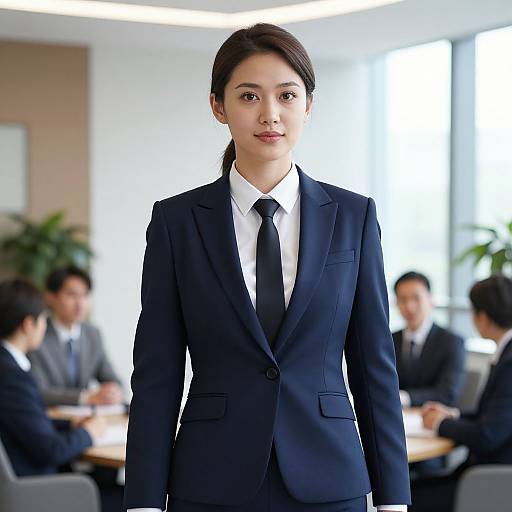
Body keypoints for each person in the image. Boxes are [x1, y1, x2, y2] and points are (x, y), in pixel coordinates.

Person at [123, 23, 411, 512]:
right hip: (211, 479)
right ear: (219, 106)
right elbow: (157, 375)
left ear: (308, 105)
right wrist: (144, 503)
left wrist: (394, 501)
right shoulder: (176, 222)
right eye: (249, 96)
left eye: (287, 95)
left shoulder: (354, 217)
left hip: (329, 478)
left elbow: (374, 368)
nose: (270, 114)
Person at [410, 274, 512, 512]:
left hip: (489, 482)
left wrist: (440, 424)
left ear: (482, 317)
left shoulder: (509, 363)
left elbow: (487, 435)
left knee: (400, 498)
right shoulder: (505, 354)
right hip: (482, 474)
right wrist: (453, 415)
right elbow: (493, 415)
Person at [0, 278, 105, 476]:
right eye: (42, 319)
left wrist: (70, 424)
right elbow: (51, 450)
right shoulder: (13, 379)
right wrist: (89, 433)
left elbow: (23, 422)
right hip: (36, 491)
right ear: (28, 324)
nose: (43, 326)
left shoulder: (7, 367)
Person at [28, 265, 123, 406]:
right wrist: (86, 397)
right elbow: (38, 390)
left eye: (84, 295)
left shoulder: (92, 334)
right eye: (71, 295)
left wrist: (113, 392)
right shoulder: (36, 334)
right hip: (50, 417)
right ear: (50, 297)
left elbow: (111, 379)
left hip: (84, 418)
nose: (80, 303)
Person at [393, 271, 466, 407]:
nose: (409, 306)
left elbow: (447, 393)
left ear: (430, 300)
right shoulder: (389, 340)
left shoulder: (452, 342)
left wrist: (404, 398)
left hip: (432, 421)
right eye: (403, 299)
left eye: (416, 298)